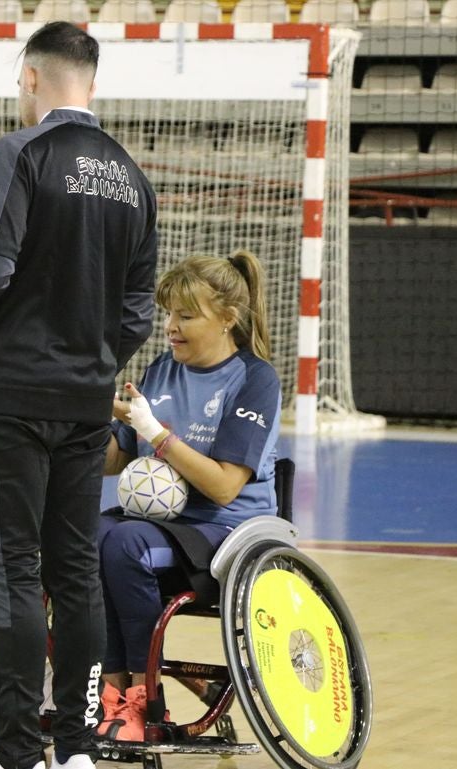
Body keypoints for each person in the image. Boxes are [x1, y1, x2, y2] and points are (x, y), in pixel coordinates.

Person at [0, 21, 159, 769]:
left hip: (12, 397)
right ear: (89, 83)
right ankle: (77, 749)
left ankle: (15, 753)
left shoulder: (19, 152)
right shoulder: (133, 176)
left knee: (11, 572)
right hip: (87, 401)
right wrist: (90, 361)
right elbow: (137, 312)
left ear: (30, 77)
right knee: (73, 571)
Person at [96, 252, 281, 741]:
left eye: (186, 315)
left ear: (227, 319)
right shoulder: (161, 368)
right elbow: (115, 457)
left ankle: (142, 700)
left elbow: (222, 485)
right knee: (87, 535)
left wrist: (156, 433)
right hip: (162, 525)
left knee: (124, 543)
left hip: (224, 532)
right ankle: (109, 696)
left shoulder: (254, 379)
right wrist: (77, 418)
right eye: (168, 315)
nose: (170, 327)